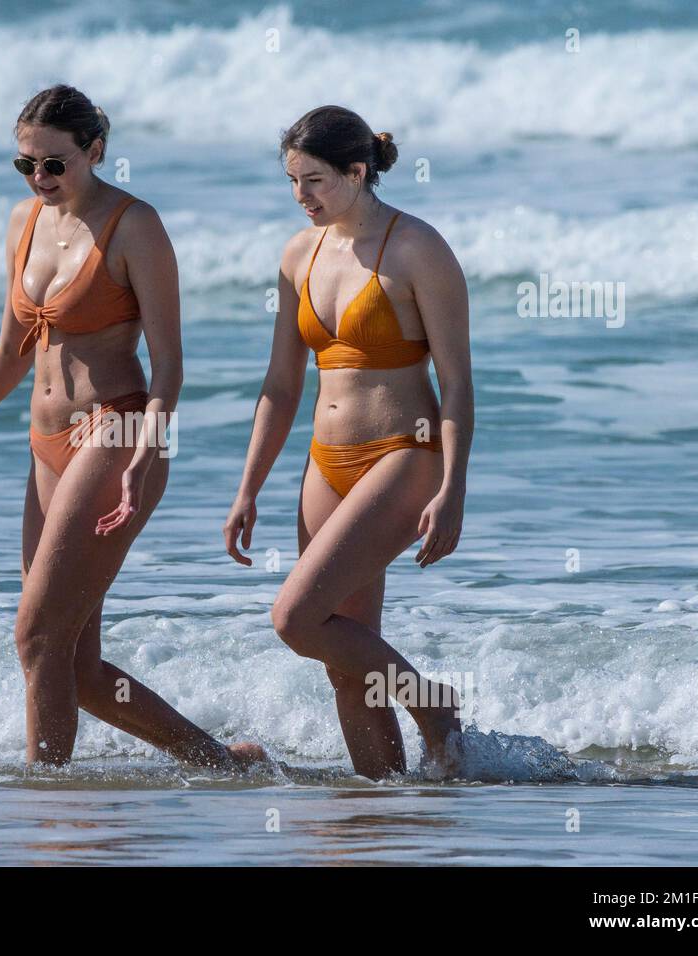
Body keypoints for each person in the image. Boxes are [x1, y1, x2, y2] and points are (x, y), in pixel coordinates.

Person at [0, 84, 264, 770]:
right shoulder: (23, 222)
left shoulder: (135, 226)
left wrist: (144, 452)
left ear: (96, 151)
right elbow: (11, 350)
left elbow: (170, 367)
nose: (40, 178)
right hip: (44, 445)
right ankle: (222, 763)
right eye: (26, 165)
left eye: (55, 164)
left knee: (34, 635)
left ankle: (47, 800)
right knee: (72, 662)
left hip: (118, 432)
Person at [225, 106, 474, 779]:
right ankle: (380, 809)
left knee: (296, 619)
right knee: (344, 666)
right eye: (292, 182)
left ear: (357, 173)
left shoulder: (417, 248)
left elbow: (456, 384)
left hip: (404, 453)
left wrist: (453, 489)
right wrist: (249, 486)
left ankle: (434, 707)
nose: (300, 197)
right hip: (325, 463)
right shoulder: (298, 253)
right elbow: (280, 383)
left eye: (314, 181)